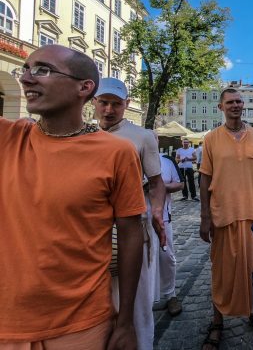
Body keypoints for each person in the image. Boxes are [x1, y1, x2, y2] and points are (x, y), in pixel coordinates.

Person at [0, 45, 145, 349]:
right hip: (7, 321)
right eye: (25, 69)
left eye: (42, 70)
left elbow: (132, 233)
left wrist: (126, 321)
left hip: (80, 325)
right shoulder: (9, 138)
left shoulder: (117, 152)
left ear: (84, 87)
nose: (27, 78)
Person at [199, 88, 253, 350]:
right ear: (221, 107)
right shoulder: (211, 139)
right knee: (221, 271)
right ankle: (217, 322)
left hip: (252, 213)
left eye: (239, 101)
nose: (236, 105)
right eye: (230, 102)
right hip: (223, 214)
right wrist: (204, 216)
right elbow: (205, 177)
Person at [93, 77, 166, 350]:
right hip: (95, 232)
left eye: (116, 104)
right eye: (104, 103)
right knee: (101, 302)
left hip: (133, 228)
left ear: (127, 104)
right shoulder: (86, 134)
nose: (109, 110)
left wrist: (157, 211)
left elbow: (156, 182)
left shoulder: (142, 136)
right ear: (94, 103)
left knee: (134, 302)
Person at [153, 147, 184, 317]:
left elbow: (180, 183)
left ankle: (170, 294)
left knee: (166, 256)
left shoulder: (166, 160)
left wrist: (161, 186)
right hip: (136, 217)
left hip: (163, 217)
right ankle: (145, 297)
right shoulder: (132, 158)